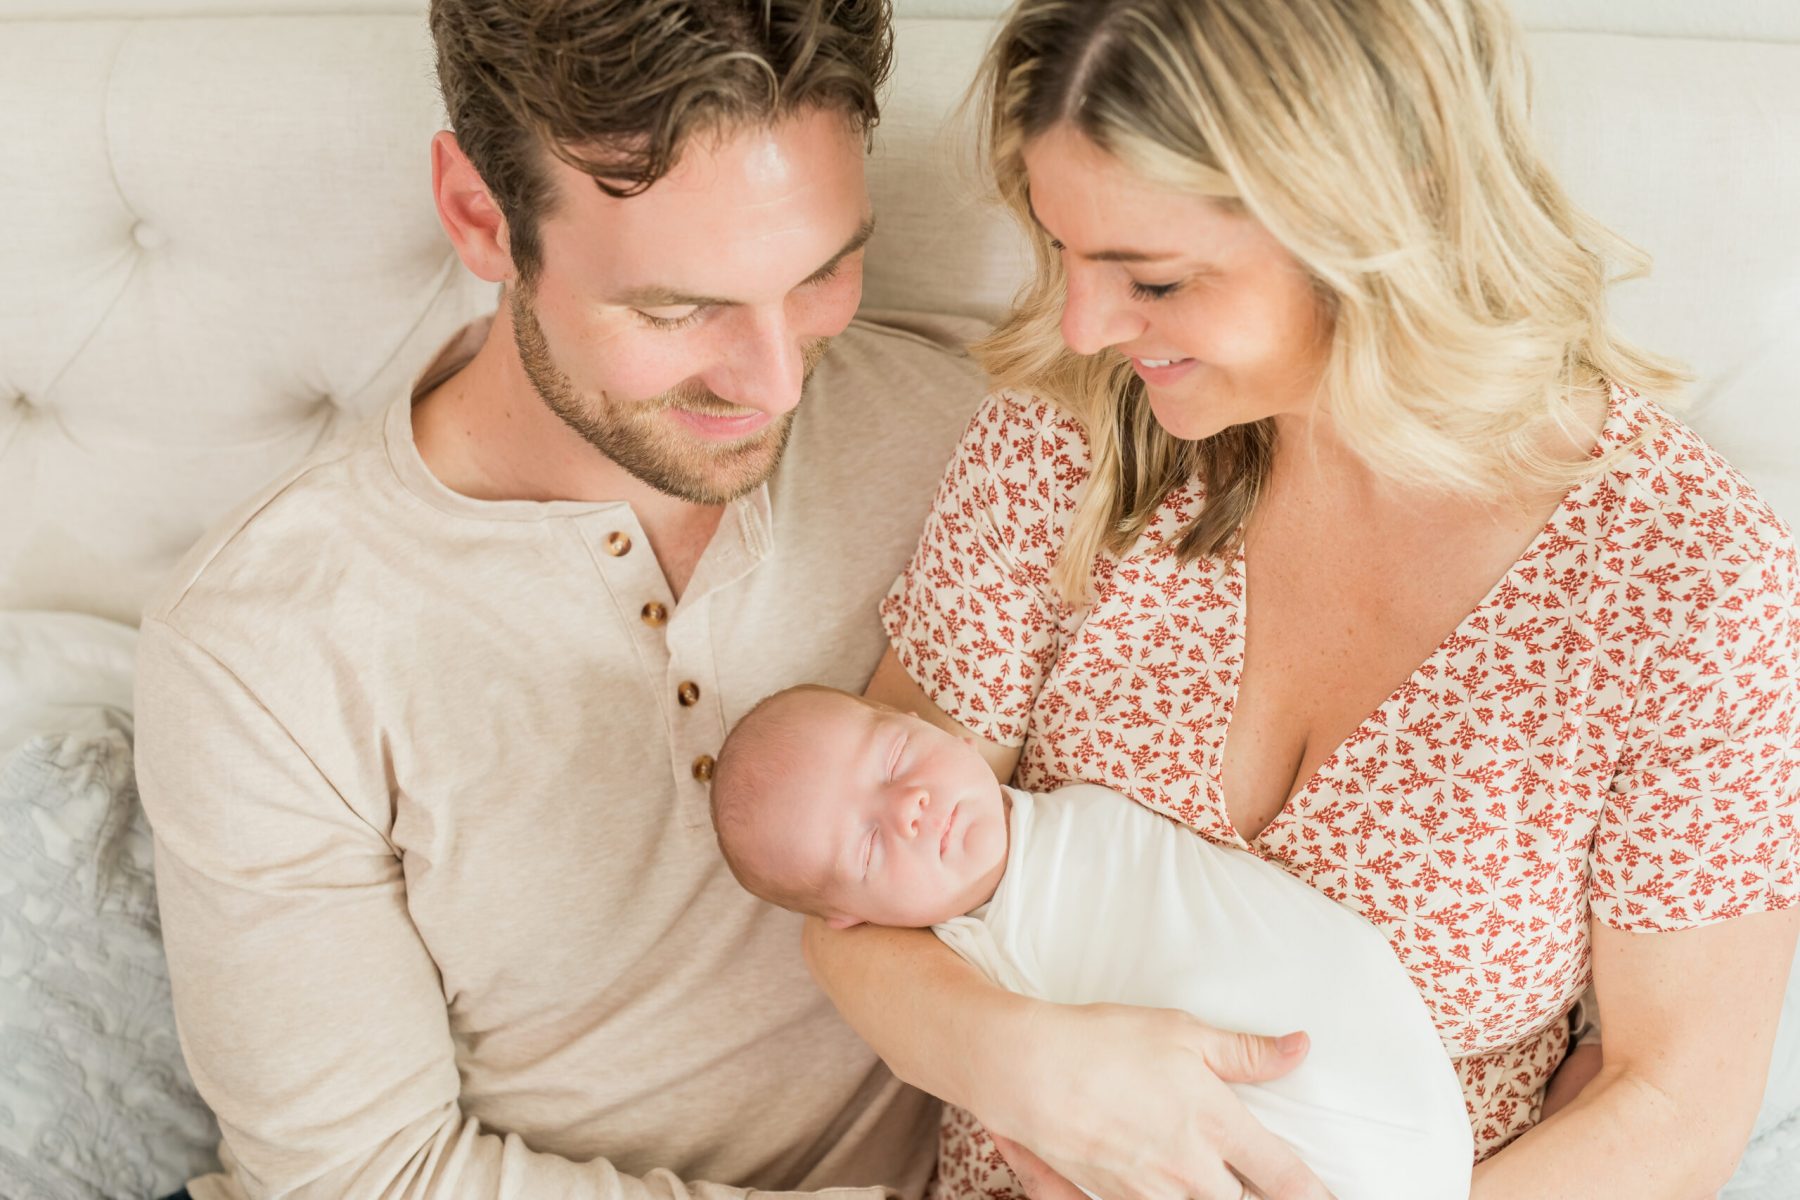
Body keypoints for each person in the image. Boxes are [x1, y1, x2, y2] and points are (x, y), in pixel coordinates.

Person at [800, 2, 1800, 1199]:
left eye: (1154, 278)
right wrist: (1022, 1064)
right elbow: (850, 894)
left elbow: (1677, 1106)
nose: (1085, 323)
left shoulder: (1686, 584)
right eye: (1065, 250)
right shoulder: (1071, 437)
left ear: (1373, 217)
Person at [131, 2, 986, 1198]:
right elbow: (361, 1180)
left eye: (822, 273)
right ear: (482, 216)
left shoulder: (973, 447)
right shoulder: (265, 643)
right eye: (676, 308)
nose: (777, 381)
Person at [708, 684, 1474, 1200]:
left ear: (938, 726)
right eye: (869, 845)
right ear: (848, 919)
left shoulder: (1085, 811)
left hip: (1391, 1079)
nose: (907, 808)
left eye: (895, 760)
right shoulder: (965, 982)